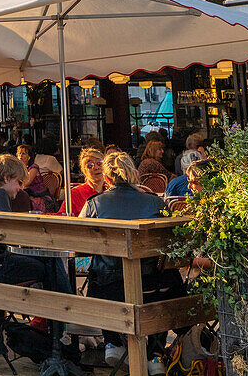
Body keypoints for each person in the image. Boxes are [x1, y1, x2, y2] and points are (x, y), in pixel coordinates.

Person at [0, 154, 71, 373]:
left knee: (45, 262)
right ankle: (65, 316)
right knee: (49, 264)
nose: (20, 189)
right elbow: (9, 232)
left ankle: (57, 327)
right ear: (6, 177)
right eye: (19, 183)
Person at [80, 151, 182, 373]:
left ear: (106, 179)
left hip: (110, 288)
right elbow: (173, 244)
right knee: (167, 283)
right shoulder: (156, 203)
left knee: (98, 275)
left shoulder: (94, 204)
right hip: (154, 287)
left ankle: (113, 342)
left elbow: (80, 246)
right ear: (135, 175)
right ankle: (154, 354)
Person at [67, 147, 106, 215]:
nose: (96, 167)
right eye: (90, 165)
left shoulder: (112, 191)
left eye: (99, 163)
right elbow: (62, 216)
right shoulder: (75, 193)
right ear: (84, 170)